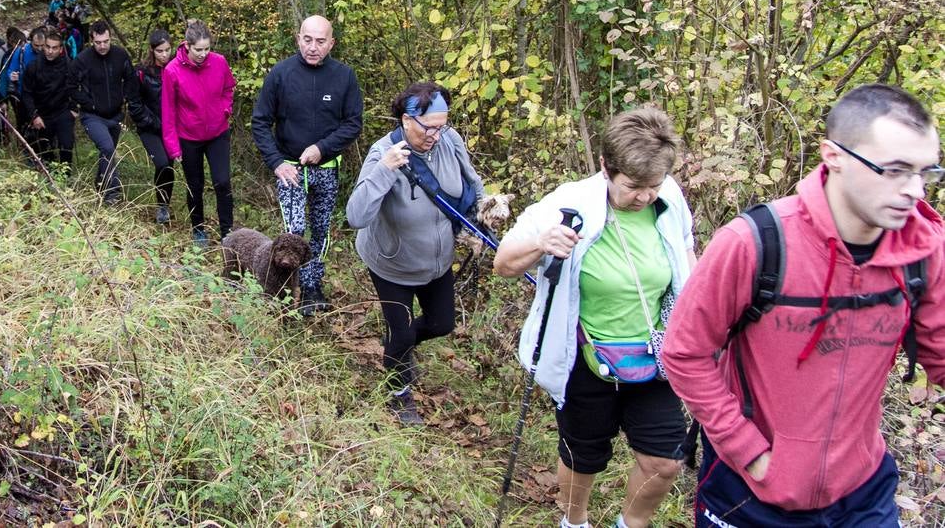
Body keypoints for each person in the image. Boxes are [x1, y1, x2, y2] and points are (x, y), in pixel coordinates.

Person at [662, 84, 945, 527]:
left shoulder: (923, 251)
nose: (914, 191)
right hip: (750, 492)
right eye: (894, 170)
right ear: (833, 156)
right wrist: (748, 451)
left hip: (862, 493)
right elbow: (684, 352)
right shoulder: (755, 243)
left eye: (926, 172)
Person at [493, 107, 695, 528]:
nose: (644, 197)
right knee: (583, 455)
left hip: (653, 353)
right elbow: (504, 263)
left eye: (652, 186)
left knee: (665, 460)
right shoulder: (569, 203)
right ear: (606, 167)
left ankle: (631, 523)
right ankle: (575, 521)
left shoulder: (670, 199)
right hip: (583, 354)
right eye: (633, 187)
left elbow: (686, 257)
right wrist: (541, 243)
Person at [346, 81, 486, 425]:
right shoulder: (383, 154)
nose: (437, 135)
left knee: (442, 323)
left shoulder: (448, 141)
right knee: (402, 332)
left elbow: (472, 182)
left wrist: (483, 214)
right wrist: (385, 171)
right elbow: (356, 216)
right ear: (407, 120)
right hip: (392, 263)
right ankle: (398, 392)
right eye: (429, 127)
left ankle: (399, 346)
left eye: (443, 125)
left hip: (437, 261)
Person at [251, 15, 363, 314]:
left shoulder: (344, 76)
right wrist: (276, 162)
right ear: (298, 39)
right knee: (295, 230)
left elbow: (353, 124)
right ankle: (285, 288)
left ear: (331, 43)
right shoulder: (281, 73)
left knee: (321, 229)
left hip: (326, 168)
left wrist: (322, 148)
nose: (313, 47)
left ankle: (312, 287)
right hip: (290, 169)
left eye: (320, 41)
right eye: (307, 40)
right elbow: (260, 122)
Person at [162, 20, 236, 249]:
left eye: (207, 48)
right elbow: (168, 111)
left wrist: (226, 109)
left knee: (222, 182)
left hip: (217, 133)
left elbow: (228, 88)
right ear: (187, 45)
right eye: (198, 49)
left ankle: (228, 234)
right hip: (189, 137)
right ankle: (198, 230)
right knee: (195, 185)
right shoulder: (172, 70)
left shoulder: (219, 62)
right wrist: (173, 147)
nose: (203, 54)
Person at [71, 20, 150, 204]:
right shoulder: (83, 59)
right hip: (92, 116)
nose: (102, 46)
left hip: (115, 115)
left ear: (110, 38)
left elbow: (130, 79)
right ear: (92, 40)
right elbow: (71, 86)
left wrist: (126, 98)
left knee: (107, 152)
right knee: (107, 148)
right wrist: (88, 103)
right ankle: (112, 194)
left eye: (105, 41)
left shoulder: (120, 55)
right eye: (98, 42)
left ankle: (100, 185)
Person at [136, 29, 176, 225]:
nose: (164, 54)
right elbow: (135, 103)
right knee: (161, 163)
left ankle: (164, 205)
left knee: (169, 167)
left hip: (172, 129)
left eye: (167, 50)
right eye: (160, 51)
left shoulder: (176, 68)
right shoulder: (142, 72)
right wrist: (152, 122)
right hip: (150, 127)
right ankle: (161, 206)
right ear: (152, 51)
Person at [19, 28, 75, 168]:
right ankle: (49, 177)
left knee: (66, 146)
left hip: (62, 112)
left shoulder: (69, 65)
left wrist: (74, 109)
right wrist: (34, 115)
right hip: (42, 114)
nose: (50, 51)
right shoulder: (34, 66)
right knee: (45, 150)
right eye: (48, 47)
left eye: (54, 48)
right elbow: (26, 93)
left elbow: (76, 87)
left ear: (61, 49)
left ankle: (66, 180)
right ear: (44, 46)